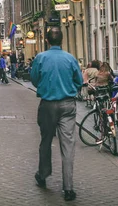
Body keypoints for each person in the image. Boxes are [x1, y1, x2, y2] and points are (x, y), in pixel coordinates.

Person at [30, 27, 83, 201]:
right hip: (67, 105)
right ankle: (68, 189)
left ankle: (43, 176)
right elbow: (79, 81)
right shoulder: (70, 58)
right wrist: (70, 89)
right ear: (62, 40)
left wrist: (45, 87)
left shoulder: (40, 58)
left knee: (45, 141)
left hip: (47, 105)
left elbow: (34, 79)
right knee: (68, 145)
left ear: (46, 41)